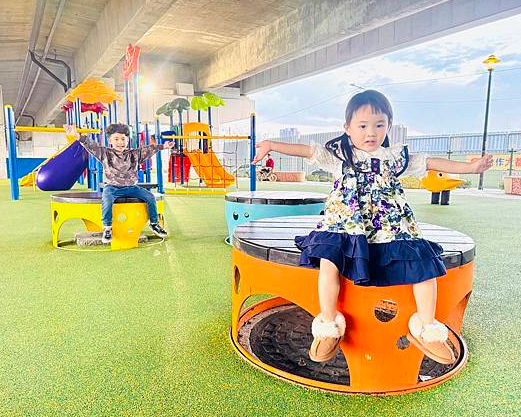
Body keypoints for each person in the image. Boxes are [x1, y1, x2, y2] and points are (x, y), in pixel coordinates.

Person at [252, 90, 492, 364]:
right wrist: (270, 143)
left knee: (424, 267)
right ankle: (328, 325)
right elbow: (308, 150)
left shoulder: (394, 157)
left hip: (393, 229)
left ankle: (427, 328)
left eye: (379, 125)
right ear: (348, 128)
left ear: (388, 126)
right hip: (345, 226)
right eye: (362, 125)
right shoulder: (341, 156)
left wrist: (470, 168)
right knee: (329, 264)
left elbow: (431, 162)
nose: (371, 132)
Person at [65, 123, 175, 243]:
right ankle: (107, 228)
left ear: (128, 140)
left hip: (131, 187)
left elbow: (148, 149)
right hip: (112, 187)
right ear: (110, 141)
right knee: (106, 199)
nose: (120, 142)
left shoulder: (134, 154)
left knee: (150, 197)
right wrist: (77, 136)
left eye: (123, 139)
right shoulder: (105, 153)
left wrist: (163, 146)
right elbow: (92, 145)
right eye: (116, 139)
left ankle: (154, 223)